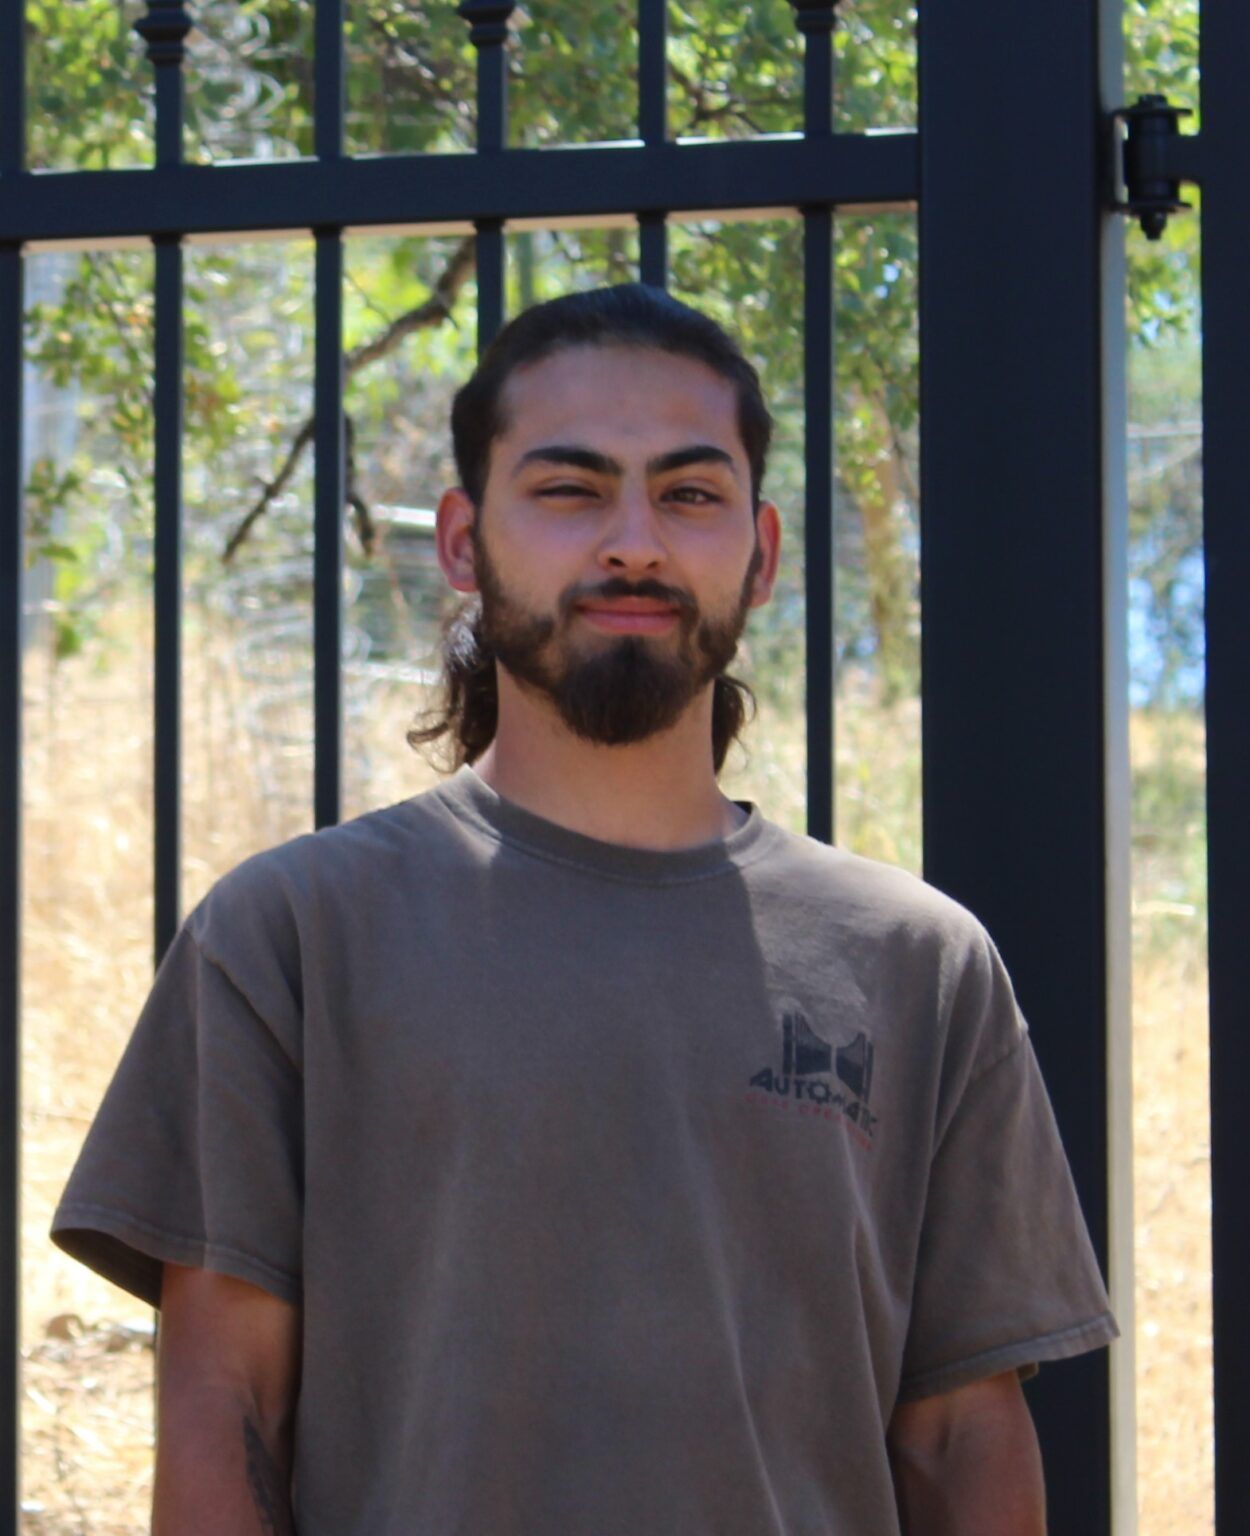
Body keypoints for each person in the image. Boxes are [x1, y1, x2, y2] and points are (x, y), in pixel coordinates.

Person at [52, 283, 1117, 1536]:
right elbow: (227, 1409)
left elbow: (962, 1440)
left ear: (761, 552)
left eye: (688, 493)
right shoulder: (285, 937)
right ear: (461, 543)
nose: (632, 542)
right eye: (568, 491)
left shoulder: (917, 963)